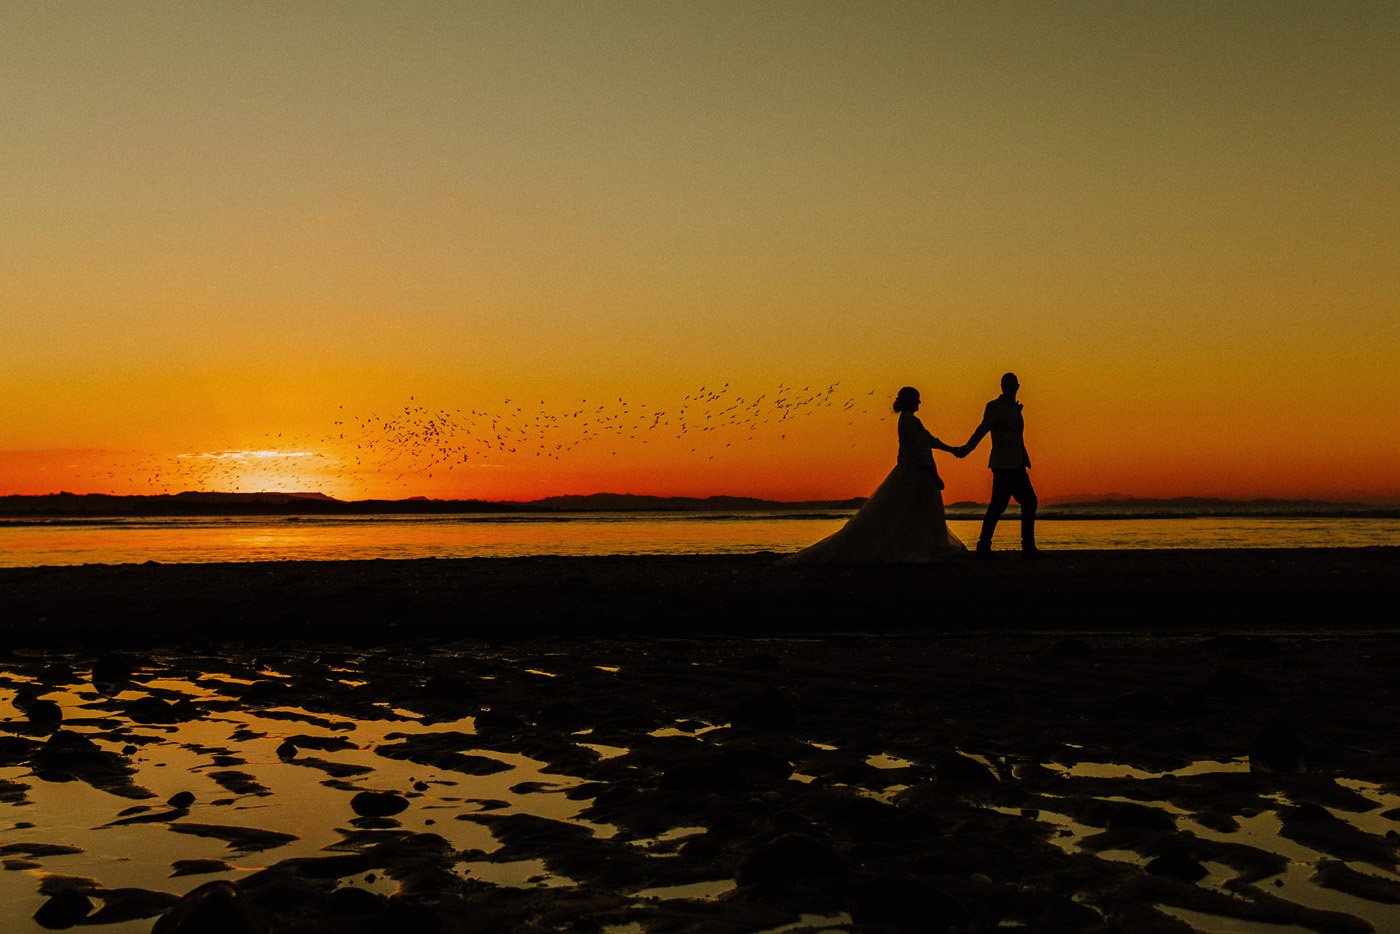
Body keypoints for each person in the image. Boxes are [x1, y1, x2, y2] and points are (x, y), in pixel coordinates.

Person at [782, 386, 966, 564]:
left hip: (914, 471)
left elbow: (927, 440)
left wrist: (951, 450)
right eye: (916, 398)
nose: (920, 401)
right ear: (910, 401)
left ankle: (921, 547)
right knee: (921, 511)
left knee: (910, 512)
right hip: (916, 473)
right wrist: (934, 475)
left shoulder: (908, 420)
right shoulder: (910, 421)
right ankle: (927, 548)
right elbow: (921, 450)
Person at [957, 372, 1037, 557]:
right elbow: (983, 428)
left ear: (1017, 387)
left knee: (1028, 502)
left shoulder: (1015, 409)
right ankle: (985, 545)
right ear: (1002, 387)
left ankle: (1026, 546)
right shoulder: (994, 407)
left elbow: (1017, 436)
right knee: (999, 505)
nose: (1009, 388)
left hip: (1017, 464)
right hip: (1002, 465)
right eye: (1006, 384)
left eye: (1012, 385)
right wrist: (968, 447)